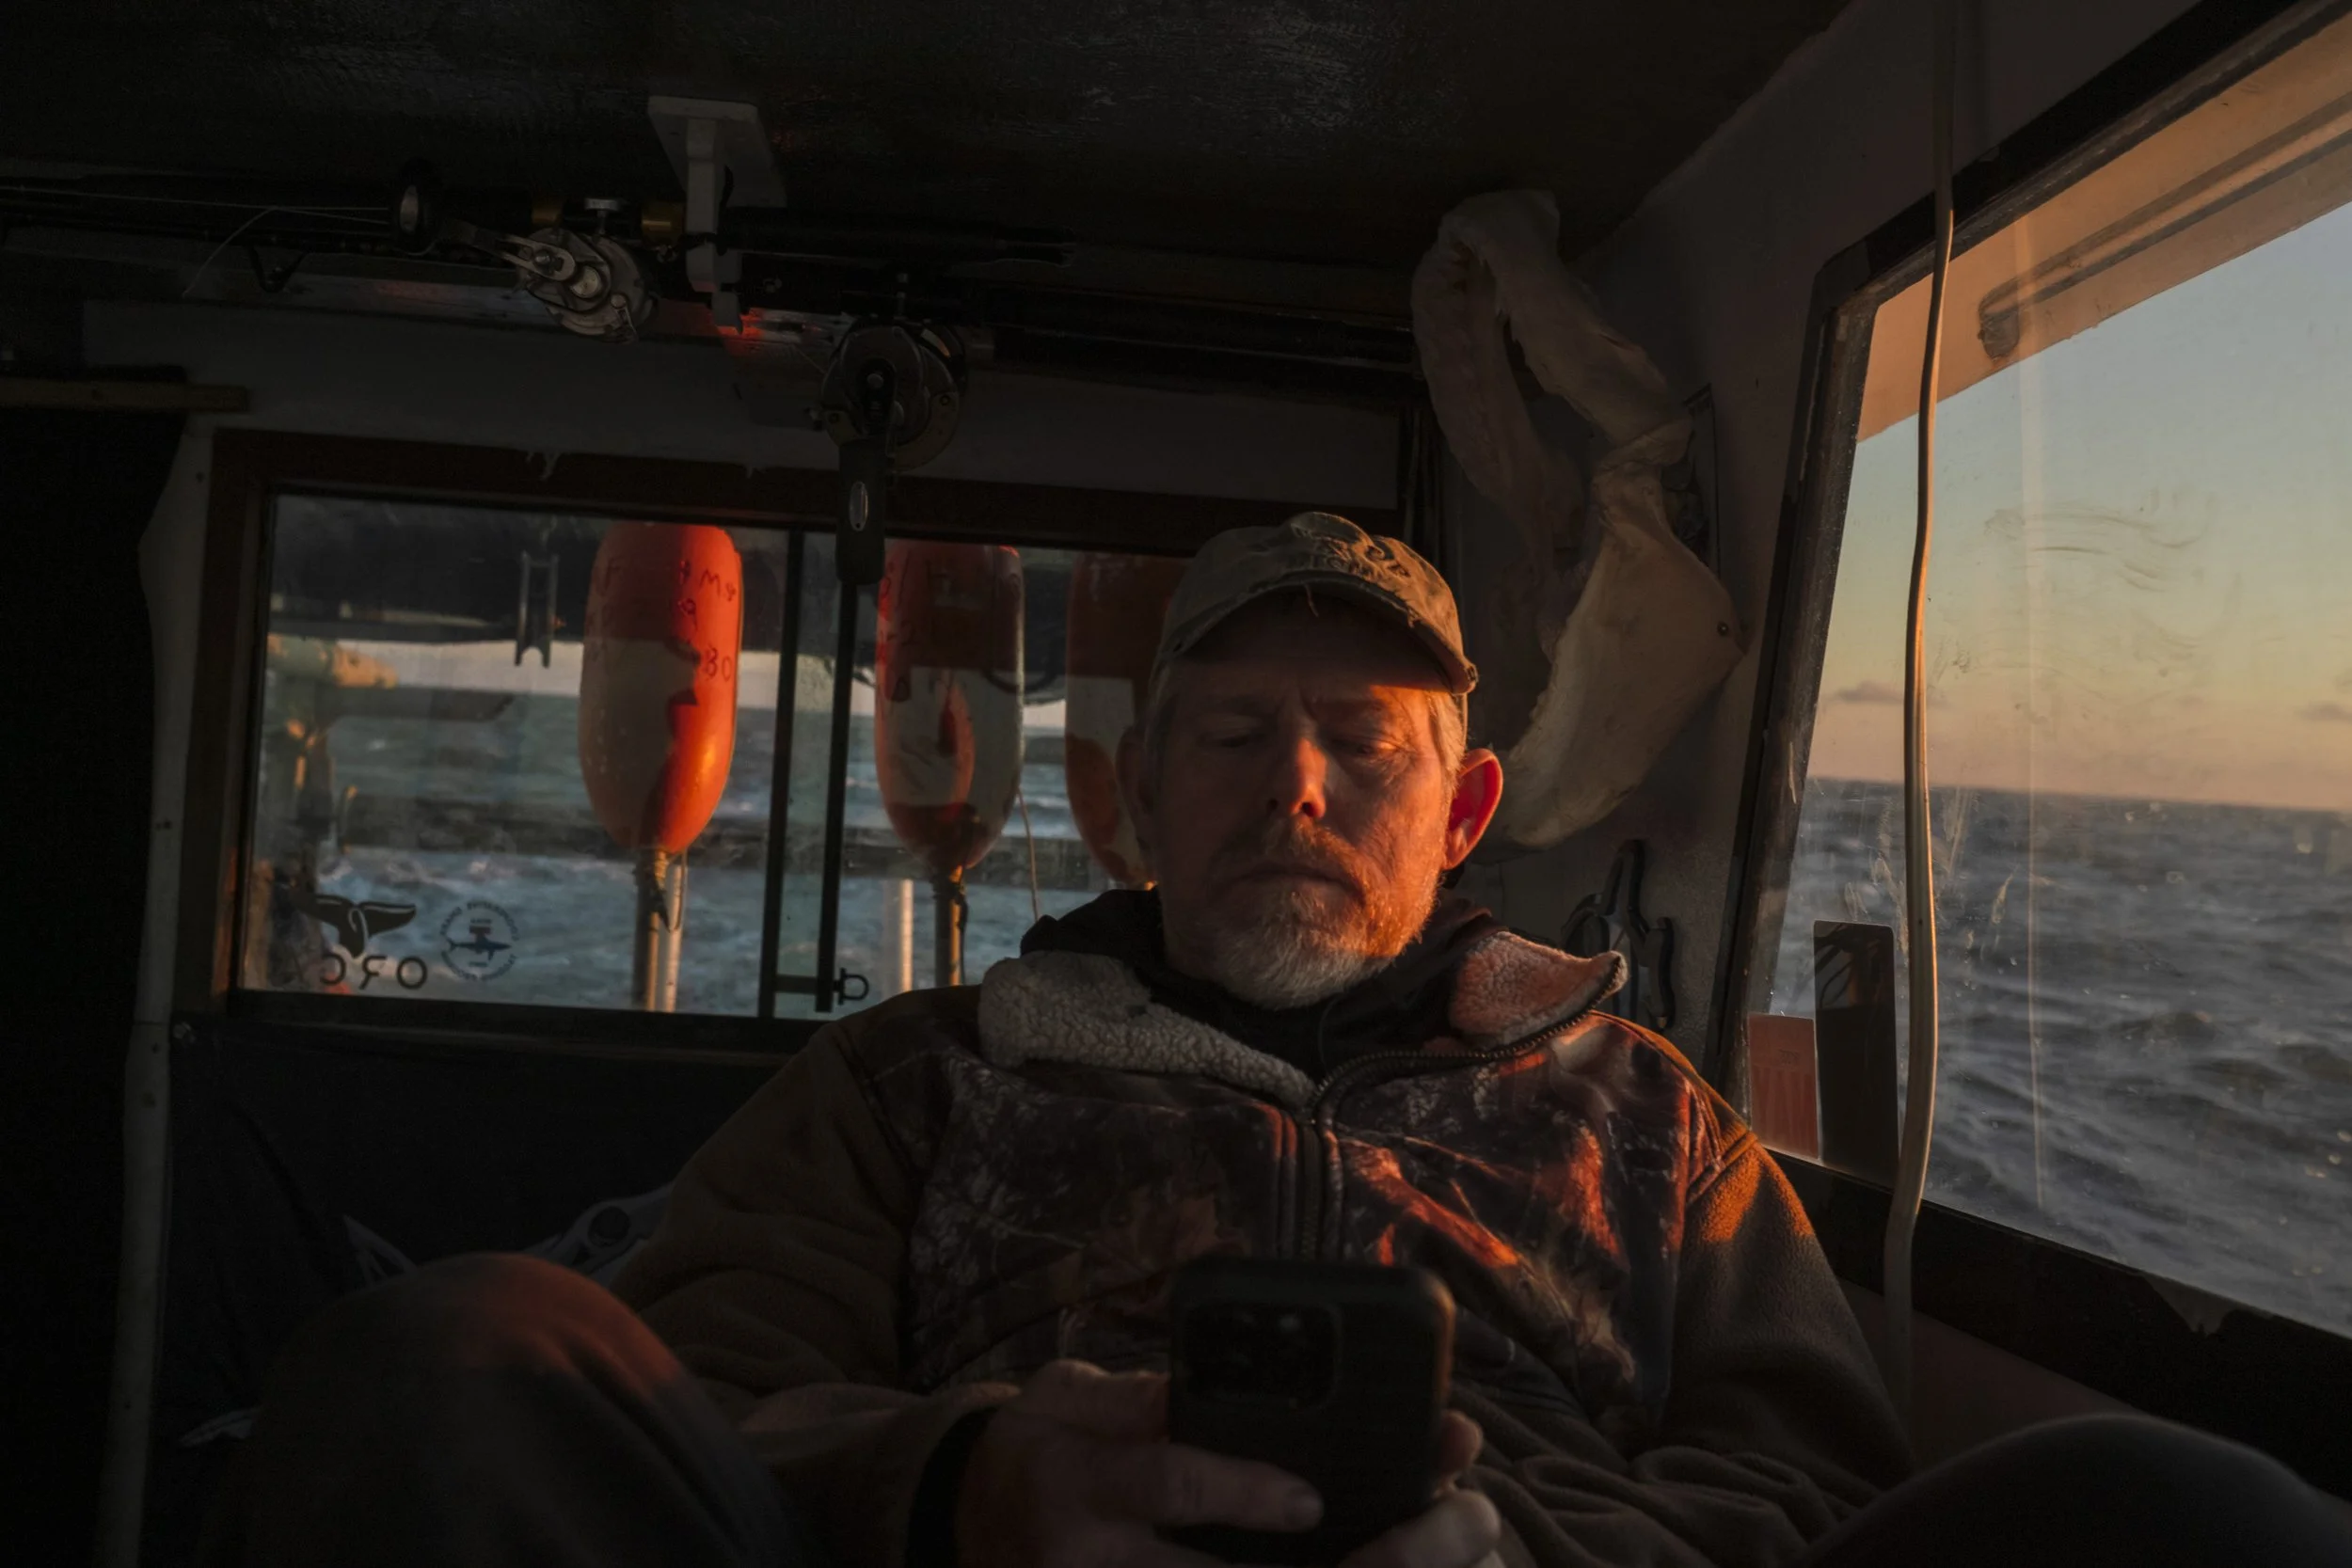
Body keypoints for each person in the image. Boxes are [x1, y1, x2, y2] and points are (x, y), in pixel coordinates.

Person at [213, 515, 2352, 1568]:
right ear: (1133, 791)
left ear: (1467, 807)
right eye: (1233, 736)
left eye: (1359, 743)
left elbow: (1795, 1483)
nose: (1295, 789)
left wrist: (1519, 1547)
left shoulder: (1648, 1115)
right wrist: (975, 1479)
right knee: (466, 1355)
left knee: (2187, 1509)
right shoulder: (911, 1073)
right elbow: (729, 1396)